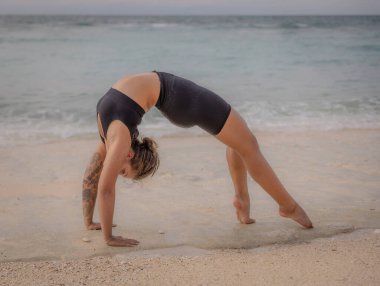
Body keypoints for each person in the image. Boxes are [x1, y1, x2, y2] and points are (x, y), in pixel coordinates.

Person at [82, 71, 313, 247]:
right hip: (178, 98)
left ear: (129, 154)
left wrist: (103, 233)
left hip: (179, 98)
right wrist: (96, 227)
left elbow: (102, 185)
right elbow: (97, 178)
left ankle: (257, 202)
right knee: (247, 144)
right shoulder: (114, 136)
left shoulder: (117, 139)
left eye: (123, 172)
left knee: (245, 144)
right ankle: (285, 206)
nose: (116, 172)